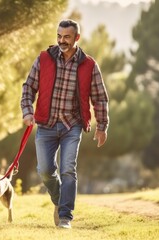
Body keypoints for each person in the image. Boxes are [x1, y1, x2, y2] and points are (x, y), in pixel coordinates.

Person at [20, 19, 109, 229]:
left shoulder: (89, 65)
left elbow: (100, 98)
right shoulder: (44, 59)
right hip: (46, 124)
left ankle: (65, 217)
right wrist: (27, 111)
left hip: (72, 125)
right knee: (44, 170)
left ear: (77, 38)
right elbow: (28, 88)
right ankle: (60, 201)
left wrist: (102, 126)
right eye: (59, 36)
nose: (62, 41)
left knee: (68, 169)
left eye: (67, 37)